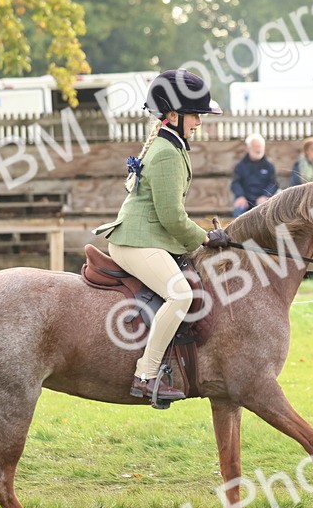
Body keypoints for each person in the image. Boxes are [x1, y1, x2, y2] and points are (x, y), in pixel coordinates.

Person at [93, 69, 231, 406]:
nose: (199, 122)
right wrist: (205, 238)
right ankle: (146, 374)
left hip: (149, 237)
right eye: (196, 115)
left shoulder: (171, 143)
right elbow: (171, 216)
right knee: (180, 295)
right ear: (173, 115)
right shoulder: (168, 152)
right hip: (136, 241)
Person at [230, 133, 279, 217]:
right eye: (255, 146)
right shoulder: (240, 165)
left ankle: (281, 231)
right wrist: (240, 196)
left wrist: (265, 197)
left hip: (263, 200)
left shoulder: (269, 165)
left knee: (274, 213)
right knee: (238, 209)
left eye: (260, 146)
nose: (258, 149)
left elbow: (273, 184)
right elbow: (235, 183)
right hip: (245, 199)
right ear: (248, 148)